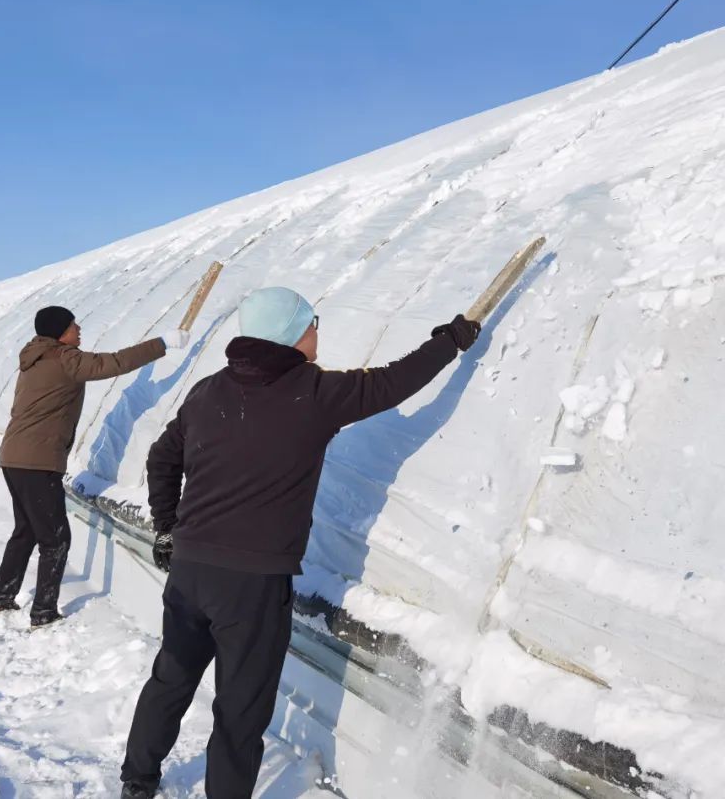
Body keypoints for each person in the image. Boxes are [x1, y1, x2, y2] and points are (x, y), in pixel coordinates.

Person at [120, 287, 480, 798]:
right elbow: (395, 383)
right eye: (312, 321)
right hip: (253, 585)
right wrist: (450, 342)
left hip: (191, 571)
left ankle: (137, 783)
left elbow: (161, 457)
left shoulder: (207, 391)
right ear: (288, 332)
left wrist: (167, 525)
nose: (317, 331)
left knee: (170, 680)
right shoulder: (313, 392)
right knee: (240, 710)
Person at [0, 305, 189, 627]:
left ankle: (1, 600)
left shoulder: (34, 359)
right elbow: (112, 363)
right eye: (72, 325)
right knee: (55, 539)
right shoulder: (65, 359)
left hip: (15, 456)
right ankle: (43, 613)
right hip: (37, 461)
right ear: (59, 332)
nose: (79, 328)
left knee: (26, 530)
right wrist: (162, 343)